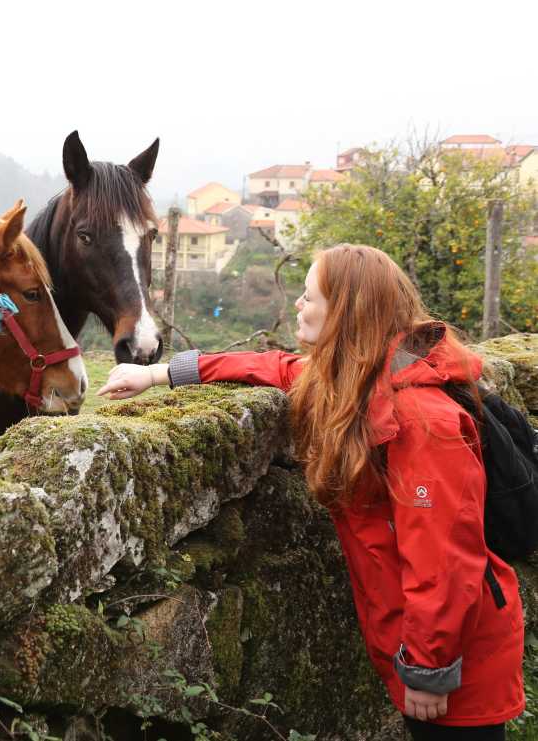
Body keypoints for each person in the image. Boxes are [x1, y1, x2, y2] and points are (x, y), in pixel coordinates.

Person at [98, 244, 524, 739]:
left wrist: (429, 670)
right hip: (423, 645)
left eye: (308, 296)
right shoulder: (360, 380)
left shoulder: (423, 422)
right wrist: (160, 372)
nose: (298, 305)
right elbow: (276, 368)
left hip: (460, 662)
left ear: (344, 309)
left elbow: (445, 563)